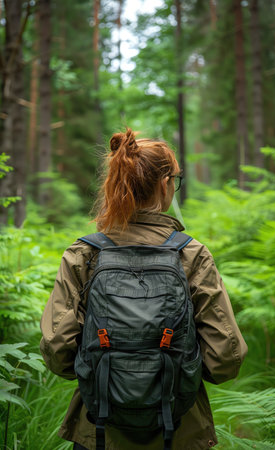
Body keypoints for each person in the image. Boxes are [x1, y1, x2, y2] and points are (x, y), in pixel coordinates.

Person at [40, 128, 248, 450]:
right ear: (165, 185)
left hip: (97, 429)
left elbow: (57, 349)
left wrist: (101, 372)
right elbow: (225, 359)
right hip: (180, 429)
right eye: (175, 181)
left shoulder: (84, 254)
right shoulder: (191, 255)